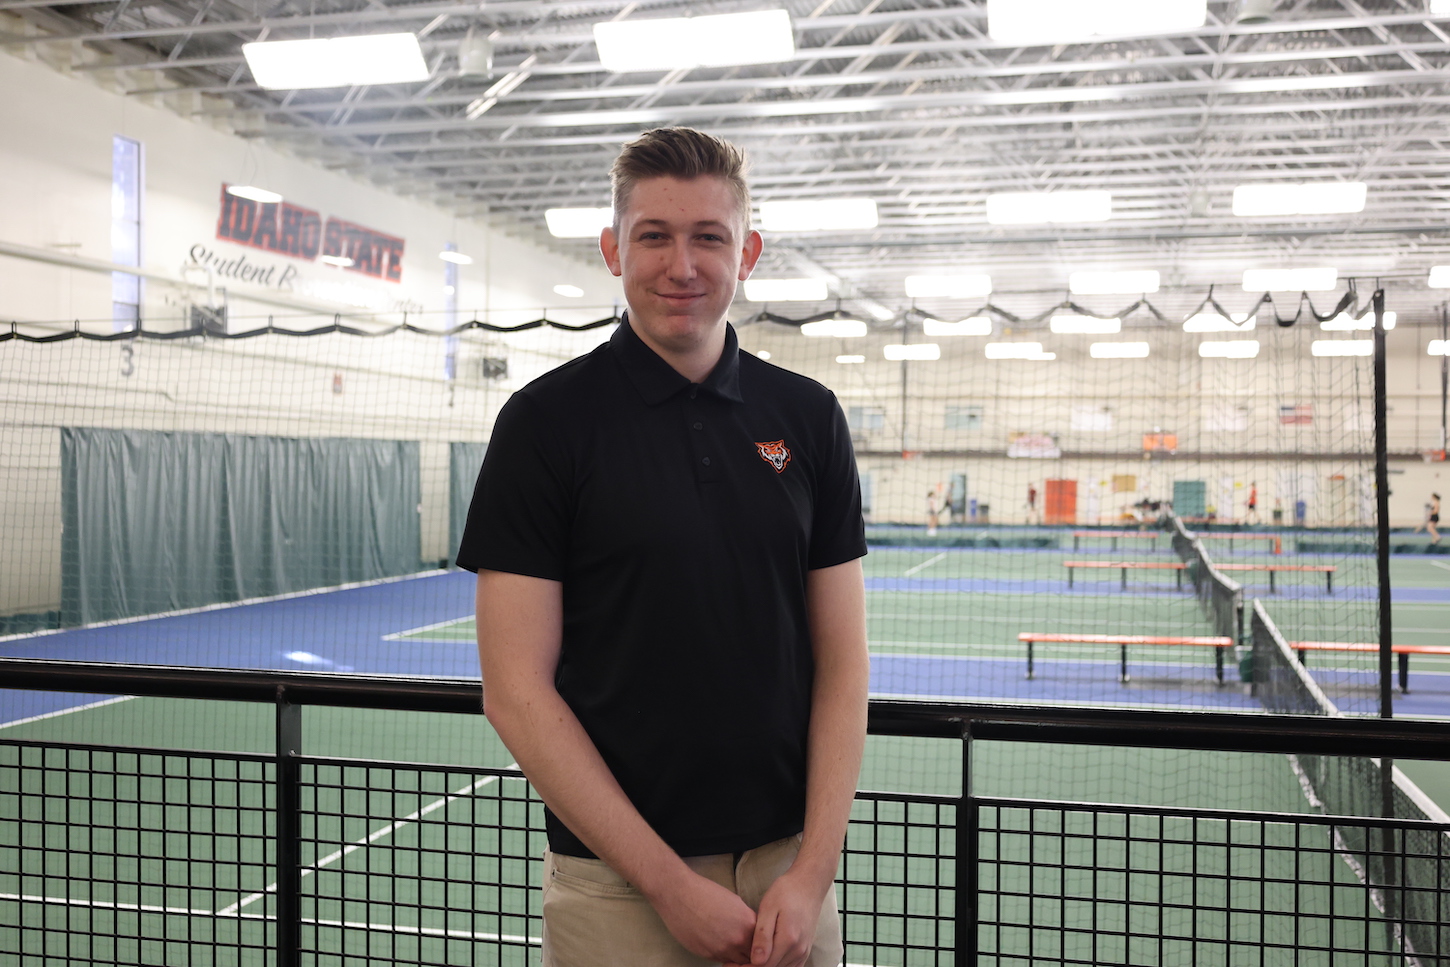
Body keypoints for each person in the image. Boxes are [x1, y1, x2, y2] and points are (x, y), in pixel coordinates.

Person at [457, 127, 869, 967]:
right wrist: (666, 884)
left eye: (709, 237)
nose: (682, 265)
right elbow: (515, 690)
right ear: (614, 249)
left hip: (789, 882)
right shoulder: (542, 426)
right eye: (654, 236)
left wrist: (813, 871)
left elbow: (844, 661)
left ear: (746, 252)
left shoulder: (810, 417)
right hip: (617, 886)